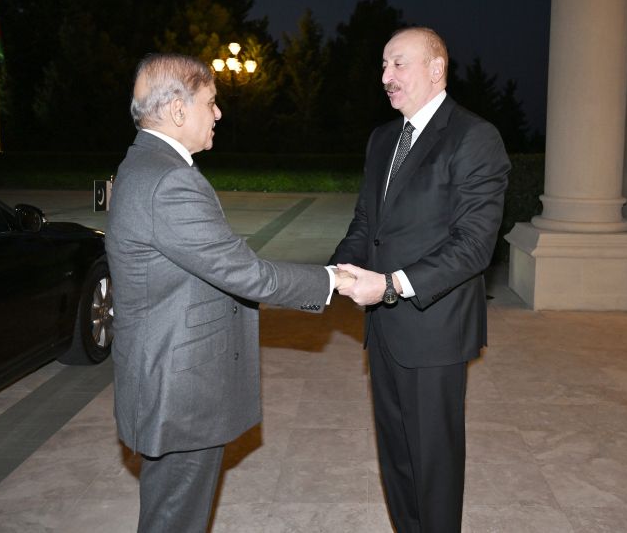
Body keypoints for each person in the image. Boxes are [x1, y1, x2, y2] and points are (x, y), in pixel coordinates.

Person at [106, 53, 353, 533]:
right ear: (178, 109)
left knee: (170, 514)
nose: (218, 113)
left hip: (160, 377)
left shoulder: (143, 163)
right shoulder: (169, 180)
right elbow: (246, 273)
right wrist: (334, 280)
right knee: (175, 521)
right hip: (180, 389)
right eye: (211, 102)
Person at [333, 27, 510, 532]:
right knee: (397, 459)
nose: (385, 77)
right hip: (383, 330)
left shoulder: (474, 137)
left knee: (434, 465)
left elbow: (473, 246)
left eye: (398, 64)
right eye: (383, 65)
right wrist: (335, 271)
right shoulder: (383, 139)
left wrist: (390, 286)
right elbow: (366, 224)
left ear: (436, 69)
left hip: (436, 331)